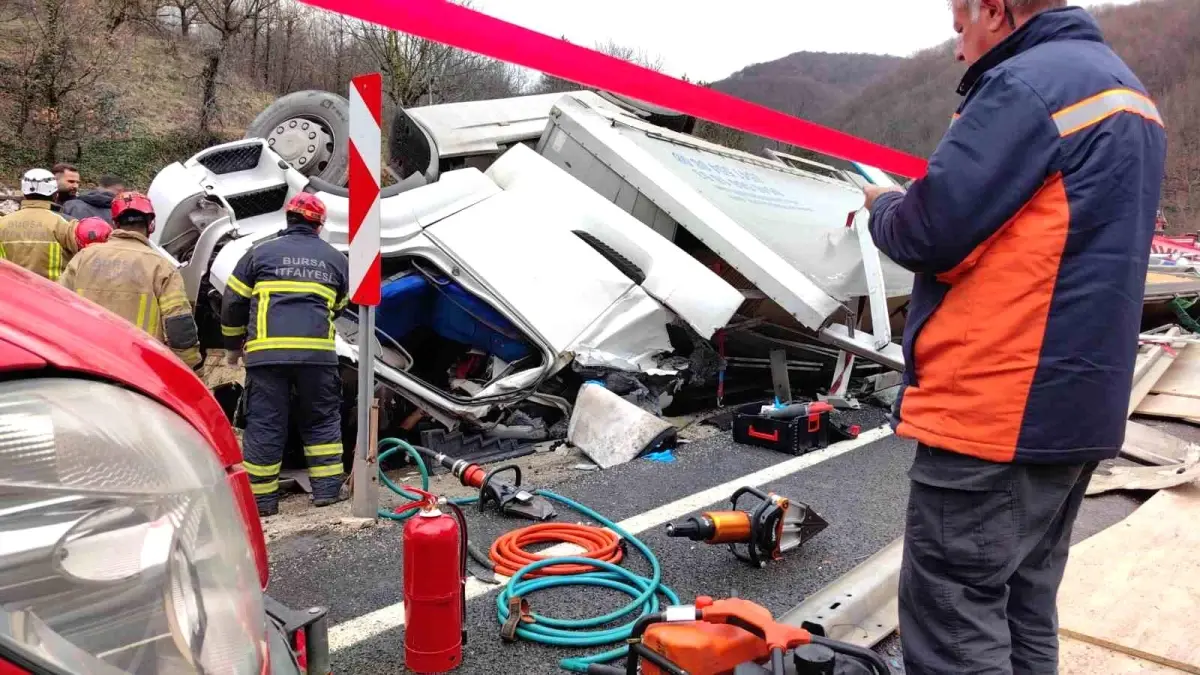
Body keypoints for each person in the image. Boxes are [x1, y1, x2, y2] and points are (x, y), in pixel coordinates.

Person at [861, 1, 1168, 673]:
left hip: (996, 411)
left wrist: (881, 205)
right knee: (1024, 609)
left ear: (995, 10)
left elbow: (928, 231)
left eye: (959, 23)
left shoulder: (1025, 86)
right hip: (1079, 410)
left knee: (955, 629)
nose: (955, 46)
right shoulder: (1133, 98)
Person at [220, 192, 350, 516]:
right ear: (319, 226)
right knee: (321, 423)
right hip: (318, 357)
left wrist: (233, 348)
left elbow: (233, 302)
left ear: (288, 219)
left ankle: (262, 504)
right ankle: (327, 493)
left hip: (267, 358)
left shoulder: (259, 254)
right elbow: (341, 304)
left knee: (265, 424)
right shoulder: (336, 258)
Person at [59, 192, 203, 370]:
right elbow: (178, 322)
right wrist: (189, 364)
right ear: (151, 225)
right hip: (138, 366)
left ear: (115, 223)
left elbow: (59, 304)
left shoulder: (83, 257)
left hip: (86, 359)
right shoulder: (161, 266)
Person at [0, 168, 81, 280]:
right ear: (55, 194)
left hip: (12, 295)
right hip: (55, 294)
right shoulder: (67, 224)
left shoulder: (2, 223)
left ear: (24, 193)